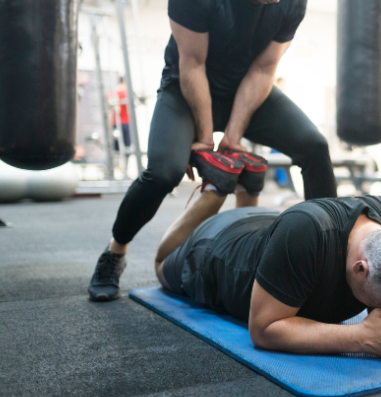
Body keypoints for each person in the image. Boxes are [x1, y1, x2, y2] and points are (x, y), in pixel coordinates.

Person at [88, 0, 338, 301]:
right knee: (163, 173)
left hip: (247, 89)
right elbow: (192, 63)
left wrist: (232, 137)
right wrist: (206, 142)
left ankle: (330, 256)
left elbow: (263, 68)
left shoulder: (291, 4)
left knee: (315, 147)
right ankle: (115, 251)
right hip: (185, 84)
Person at [154, 189, 381, 360]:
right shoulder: (305, 235)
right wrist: (361, 337)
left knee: (281, 242)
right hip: (216, 248)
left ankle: (248, 184)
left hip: (273, 230)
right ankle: (216, 190)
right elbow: (263, 330)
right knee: (161, 265)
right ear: (361, 268)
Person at [108, 76, 131, 152]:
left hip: (116, 123)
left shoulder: (112, 92)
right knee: (127, 146)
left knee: (117, 147)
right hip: (125, 122)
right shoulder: (128, 92)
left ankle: (118, 163)